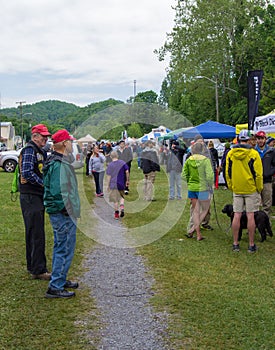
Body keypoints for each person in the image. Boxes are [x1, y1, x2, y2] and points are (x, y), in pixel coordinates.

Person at [43, 129, 81, 298]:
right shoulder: (58, 164)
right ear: (65, 143)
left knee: (64, 246)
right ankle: (56, 285)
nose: (72, 144)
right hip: (63, 212)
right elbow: (59, 192)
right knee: (63, 247)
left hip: (62, 211)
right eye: (70, 141)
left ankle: (61, 278)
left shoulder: (58, 161)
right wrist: (67, 210)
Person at [18, 124, 51, 280]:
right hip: (31, 196)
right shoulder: (30, 150)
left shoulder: (40, 151)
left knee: (34, 231)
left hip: (34, 196)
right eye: (42, 136)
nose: (45, 139)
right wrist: (43, 183)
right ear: (34, 136)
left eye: (46, 136)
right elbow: (27, 173)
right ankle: (38, 269)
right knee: (36, 232)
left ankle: (34, 265)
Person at [226, 130, 263, 253]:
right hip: (251, 188)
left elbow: (227, 172)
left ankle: (235, 243)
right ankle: (251, 245)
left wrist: (231, 186)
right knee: (250, 215)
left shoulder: (231, 153)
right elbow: (258, 174)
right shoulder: (253, 154)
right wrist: (259, 188)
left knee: (237, 215)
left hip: (237, 188)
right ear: (248, 140)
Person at [182, 142, 213, 241]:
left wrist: (190, 181)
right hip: (203, 188)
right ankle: (193, 229)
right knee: (205, 209)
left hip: (192, 188)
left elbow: (183, 175)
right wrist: (209, 184)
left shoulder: (188, 160)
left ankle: (198, 234)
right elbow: (210, 176)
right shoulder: (205, 161)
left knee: (195, 211)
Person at [255, 130, 275, 220]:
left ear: (265, 139)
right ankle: (253, 226)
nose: (260, 141)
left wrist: (269, 172)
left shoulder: (271, 151)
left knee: (267, 205)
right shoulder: (253, 151)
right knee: (255, 205)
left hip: (267, 180)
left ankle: (267, 226)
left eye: (262, 138)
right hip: (255, 181)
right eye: (258, 139)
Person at [106, 151, 129, 219]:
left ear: (110, 157)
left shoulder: (110, 165)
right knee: (121, 197)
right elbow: (127, 171)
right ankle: (122, 206)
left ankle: (116, 214)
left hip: (113, 184)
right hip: (121, 183)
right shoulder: (122, 163)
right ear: (117, 156)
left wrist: (108, 185)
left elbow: (109, 176)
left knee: (115, 200)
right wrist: (127, 180)